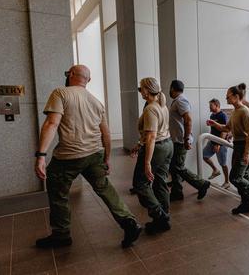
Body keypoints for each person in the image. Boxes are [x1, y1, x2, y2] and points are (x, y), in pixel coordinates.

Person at [34, 65, 141, 248]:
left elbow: (52, 123)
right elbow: (106, 133)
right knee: (105, 189)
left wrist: (41, 155)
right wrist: (107, 158)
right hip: (94, 154)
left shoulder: (60, 93)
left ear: (71, 75)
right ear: (88, 80)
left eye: (68, 73)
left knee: (58, 192)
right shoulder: (96, 102)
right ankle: (128, 221)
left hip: (68, 156)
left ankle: (61, 234)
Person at [208, 85, 249, 214]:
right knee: (239, 178)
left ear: (236, 96)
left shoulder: (245, 111)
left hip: (243, 147)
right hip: (237, 146)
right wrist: (214, 124)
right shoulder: (235, 112)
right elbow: (226, 128)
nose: (226, 98)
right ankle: (246, 204)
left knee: (235, 178)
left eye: (228, 96)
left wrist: (247, 153)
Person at [130, 77, 174, 234]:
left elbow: (151, 136)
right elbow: (150, 134)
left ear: (147, 90)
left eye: (141, 87)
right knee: (160, 182)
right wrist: (139, 144)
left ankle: (160, 216)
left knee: (140, 184)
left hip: (157, 148)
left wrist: (147, 162)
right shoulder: (162, 105)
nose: (139, 90)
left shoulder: (150, 108)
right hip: (167, 145)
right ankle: (163, 218)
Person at [168, 80, 211, 201]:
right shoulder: (177, 100)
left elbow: (188, 120)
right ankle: (177, 192)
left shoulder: (181, 100)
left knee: (178, 166)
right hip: (177, 139)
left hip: (181, 140)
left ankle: (201, 184)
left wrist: (186, 138)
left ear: (172, 88)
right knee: (174, 166)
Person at [202, 99, 230, 189]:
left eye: (211, 106)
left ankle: (227, 182)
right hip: (212, 141)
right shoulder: (212, 115)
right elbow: (214, 129)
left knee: (223, 163)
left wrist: (219, 144)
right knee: (204, 155)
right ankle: (215, 170)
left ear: (217, 105)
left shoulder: (222, 115)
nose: (209, 107)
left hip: (221, 143)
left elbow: (224, 131)